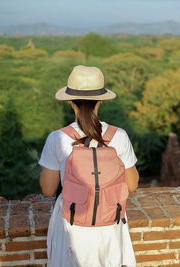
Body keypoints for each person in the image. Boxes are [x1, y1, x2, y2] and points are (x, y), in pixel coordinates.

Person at [39, 65, 139, 267]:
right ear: (101, 100)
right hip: (110, 224)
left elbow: (48, 190)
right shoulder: (118, 136)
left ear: (69, 101)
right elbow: (132, 185)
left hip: (72, 225)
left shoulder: (57, 138)